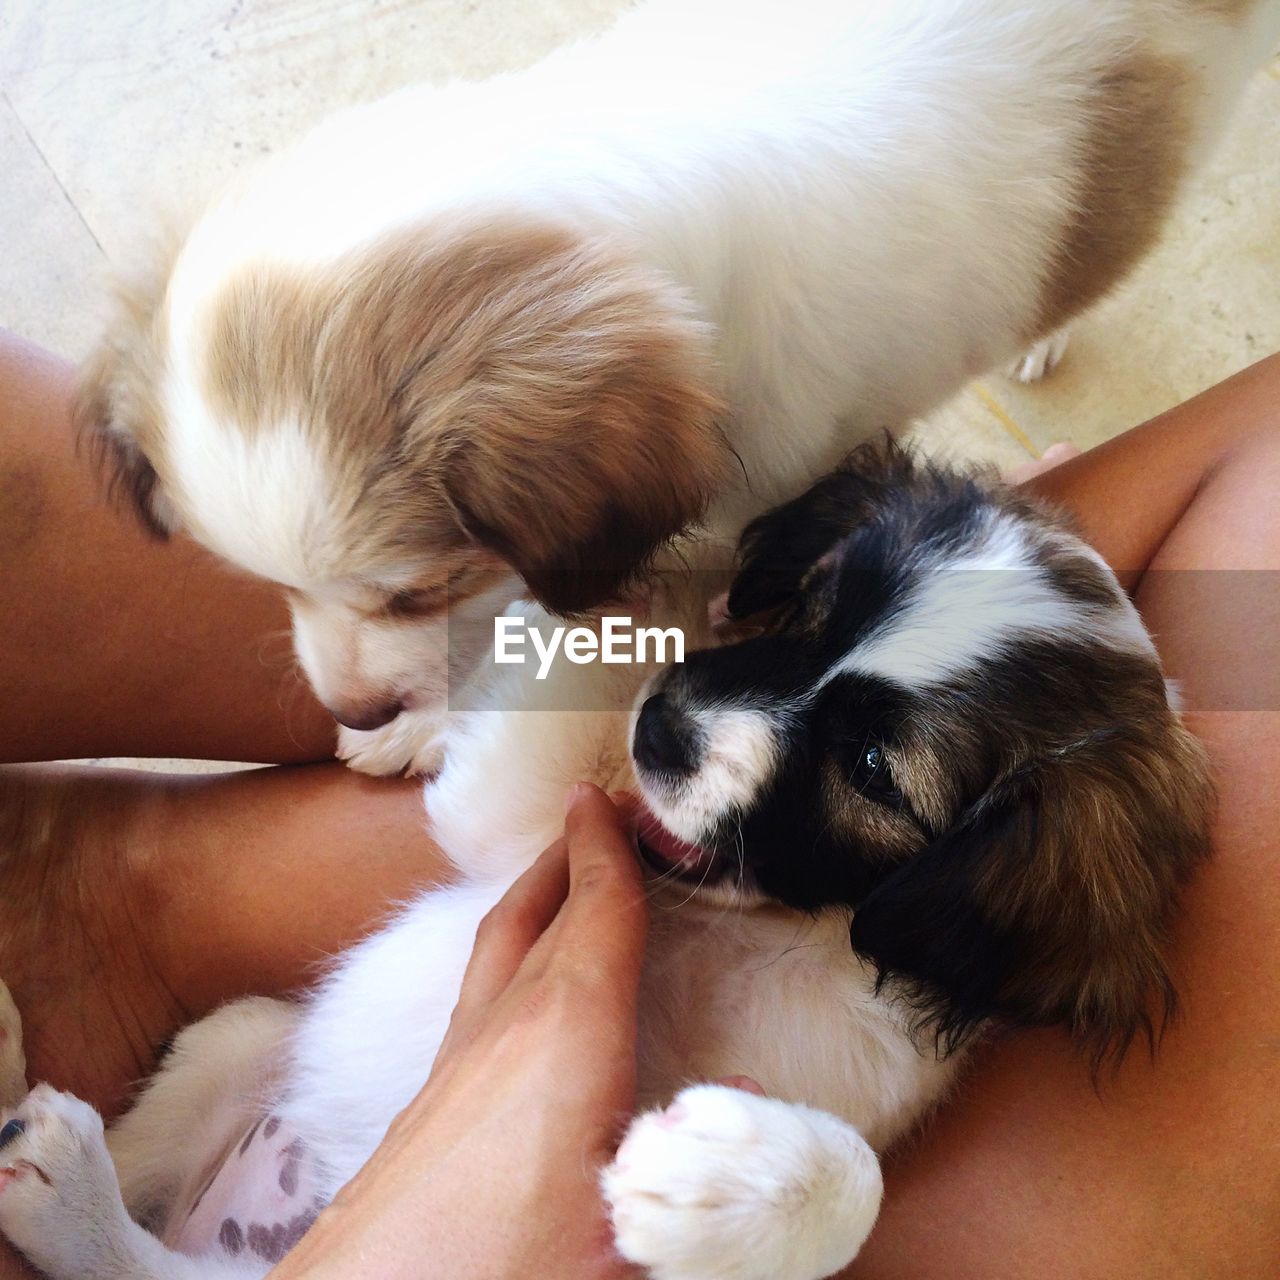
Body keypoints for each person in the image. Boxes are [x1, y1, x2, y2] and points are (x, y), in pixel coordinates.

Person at [1, 327, 1279, 1278]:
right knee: (235, 1041)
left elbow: (805, 1163)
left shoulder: (901, 1008)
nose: (697, 715)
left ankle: (107, 913)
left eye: (875, 771)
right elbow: (494, 814)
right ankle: (101, 891)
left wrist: (813, 1192)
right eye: (812, 605)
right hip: (255, 1098)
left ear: (978, 893)